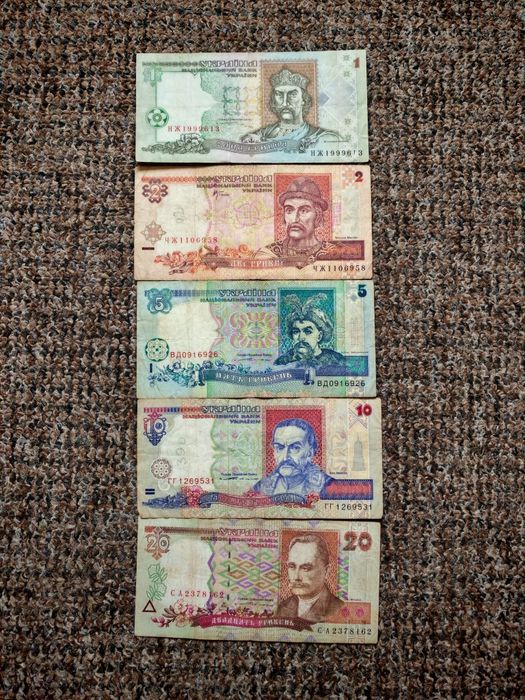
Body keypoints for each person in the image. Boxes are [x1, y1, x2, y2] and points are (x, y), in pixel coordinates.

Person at [241, 68, 341, 145]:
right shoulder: (261, 134)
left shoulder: (321, 137)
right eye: (279, 95)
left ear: (303, 100)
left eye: (292, 95)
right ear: (274, 101)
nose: (285, 103)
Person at [255, 177, 335, 262]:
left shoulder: (333, 252)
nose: (294, 219)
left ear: (318, 216)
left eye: (304, 211)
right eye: (289, 210)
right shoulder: (267, 254)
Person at [252, 418, 331, 498]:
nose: (285, 457)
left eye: (295, 448)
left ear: (310, 452)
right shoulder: (260, 487)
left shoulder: (329, 486)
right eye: (279, 448)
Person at [276, 534, 345, 622]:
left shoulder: (339, 609)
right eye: (292, 567)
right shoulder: (282, 608)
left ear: (326, 571)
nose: (296, 577)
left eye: (305, 568)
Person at [274, 293, 346, 368]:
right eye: (296, 332)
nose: (301, 338)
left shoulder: (337, 360)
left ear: (319, 336)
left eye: (308, 331)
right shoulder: (282, 361)